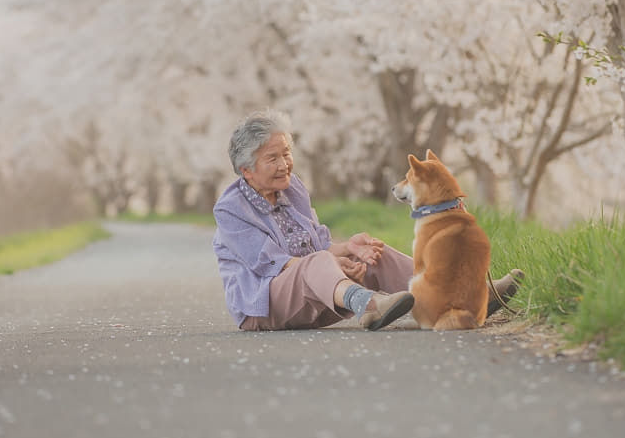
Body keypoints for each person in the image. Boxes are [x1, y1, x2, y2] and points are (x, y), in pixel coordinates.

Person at [212, 109, 522, 331]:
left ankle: (465, 295)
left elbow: (315, 246)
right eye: (273, 158)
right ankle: (369, 306)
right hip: (264, 308)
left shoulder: (291, 188)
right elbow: (275, 263)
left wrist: (350, 249)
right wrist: (332, 263)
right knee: (320, 261)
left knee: (375, 253)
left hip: (317, 297)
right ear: (246, 171)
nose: (285, 164)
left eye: (287, 153)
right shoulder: (230, 209)